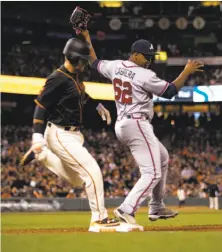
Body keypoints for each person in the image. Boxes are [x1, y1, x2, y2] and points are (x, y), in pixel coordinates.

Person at [81, 29, 204, 224]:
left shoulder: (115, 66)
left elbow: (93, 62)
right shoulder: (144, 75)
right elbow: (170, 91)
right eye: (146, 56)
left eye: (151, 56)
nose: (149, 60)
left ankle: (156, 206)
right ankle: (126, 209)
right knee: (152, 172)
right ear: (135, 54)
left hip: (123, 123)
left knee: (163, 157)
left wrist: (86, 36)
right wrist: (186, 71)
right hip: (137, 122)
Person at [21, 38, 119, 231]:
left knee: (77, 179)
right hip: (59, 133)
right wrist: (37, 136)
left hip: (73, 134)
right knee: (92, 171)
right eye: (82, 60)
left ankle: (43, 155)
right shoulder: (57, 78)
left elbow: (82, 95)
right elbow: (41, 107)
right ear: (74, 58)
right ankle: (99, 219)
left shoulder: (74, 75)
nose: (84, 64)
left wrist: (97, 105)